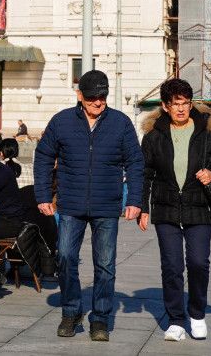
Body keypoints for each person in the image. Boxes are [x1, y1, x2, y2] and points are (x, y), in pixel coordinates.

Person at [33, 69, 144, 342]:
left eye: (103, 96)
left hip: (107, 205)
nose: (98, 101)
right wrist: (43, 196)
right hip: (70, 204)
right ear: (79, 95)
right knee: (66, 257)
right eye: (93, 96)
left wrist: (135, 201)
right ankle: (71, 312)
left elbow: (135, 162)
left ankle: (100, 319)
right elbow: (43, 158)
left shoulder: (121, 123)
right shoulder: (61, 122)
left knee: (105, 265)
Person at [138, 78, 211, 342]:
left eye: (186, 103)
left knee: (199, 262)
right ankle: (177, 320)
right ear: (165, 106)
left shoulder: (207, 131)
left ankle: (197, 314)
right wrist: (142, 207)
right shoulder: (154, 135)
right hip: (166, 207)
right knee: (172, 266)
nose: (181, 109)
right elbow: (145, 173)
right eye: (176, 104)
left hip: (199, 205)